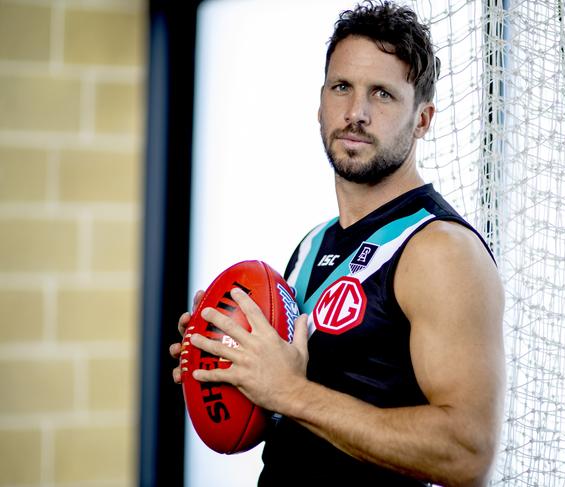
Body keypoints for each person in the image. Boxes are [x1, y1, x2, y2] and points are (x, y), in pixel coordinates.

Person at [170, 1, 505, 485]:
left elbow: (467, 452)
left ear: (422, 120)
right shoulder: (314, 244)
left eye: (383, 94)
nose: (356, 113)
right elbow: (301, 415)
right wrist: (225, 359)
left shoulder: (440, 251)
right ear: (321, 100)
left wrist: (289, 392)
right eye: (342, 87)